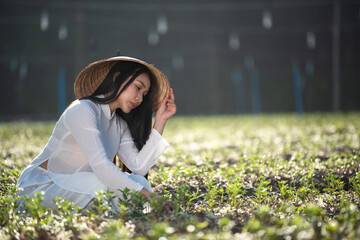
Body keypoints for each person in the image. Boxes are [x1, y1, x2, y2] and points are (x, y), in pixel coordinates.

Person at [16, 56, 176, 213]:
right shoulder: (82, 109)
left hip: (81, 184)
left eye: (144, 94)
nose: (140, 98)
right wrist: (148, 196)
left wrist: (160, 121)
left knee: (138, 181)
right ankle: (135, 208)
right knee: (103, 186)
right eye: (138, 87)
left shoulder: (119, 125)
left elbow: (139, 167)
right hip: (41, 187)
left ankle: (134, 208)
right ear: (117, 77)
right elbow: (101, 167)